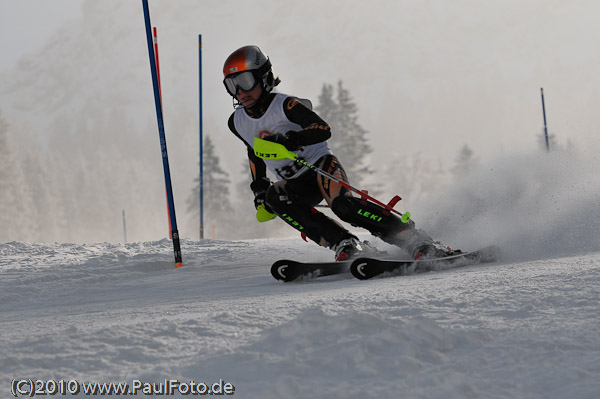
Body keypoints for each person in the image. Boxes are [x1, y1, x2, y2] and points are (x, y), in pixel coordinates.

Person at [223, 45, 455, 261]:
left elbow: (323, 130)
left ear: (264, 77)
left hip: (320, 167)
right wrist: (260, 186)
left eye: (244, 81)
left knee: (343, 206)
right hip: (295, 183)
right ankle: (344, 243)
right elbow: (254, 151)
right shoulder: (237, 122)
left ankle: (413, 239)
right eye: (232, 85)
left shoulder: (286, 106)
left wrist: (291, 140)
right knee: (275, 198)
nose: (240, 92)